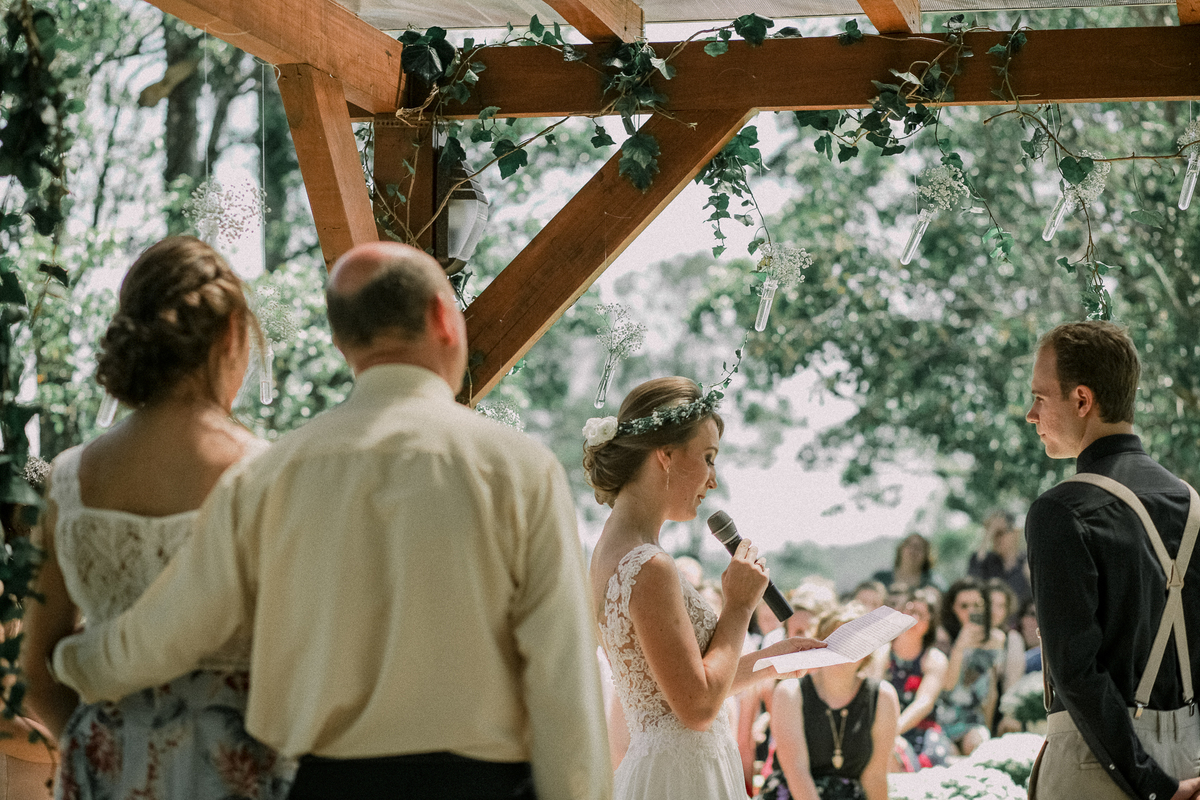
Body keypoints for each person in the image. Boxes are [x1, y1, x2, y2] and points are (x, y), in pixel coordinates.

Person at [47, 242, 610, 800]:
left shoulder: (265, 478)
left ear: (342, 342)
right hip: (482, 787)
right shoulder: (520, 470)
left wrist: (69, 660)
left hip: (326, 786)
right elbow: (562, 677)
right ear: (444, 316)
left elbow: (168, 634)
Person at [22, 236, 291, 799]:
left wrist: (106, 751)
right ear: (232, 335)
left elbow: (37, 673)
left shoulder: (69, 481)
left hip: (108, 767)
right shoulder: (267, 475)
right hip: (237, 772)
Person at [584, 376, 824, 800]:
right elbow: (696, 708)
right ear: (666, 455)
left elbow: (679, 688)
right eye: (708, 458)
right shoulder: (649, 565)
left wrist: (773, 660)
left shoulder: (609, 551)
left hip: (668, 768)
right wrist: (739, 606)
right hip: (684, 779)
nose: (712, 480)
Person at [1024, 321, 1200, 800]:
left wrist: (1154, 786)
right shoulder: (1192, 505)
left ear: (1082, 400)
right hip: (1192, 760)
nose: (1031, 414)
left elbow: (1076, 672)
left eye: (1040, 397)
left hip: (1099, 769)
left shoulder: (1061, 510)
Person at [765, 605, 900, 800]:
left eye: (855, 642)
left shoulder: (883, 696)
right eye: (835, 640)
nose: (843, 649)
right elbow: (797, 772)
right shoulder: (790, 693)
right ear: (818, 643)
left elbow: (875, 776)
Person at [933, 577, 1006, 756]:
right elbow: (947, 685)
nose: (971, 611)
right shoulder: (942, 638)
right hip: (941, 719)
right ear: (953, 608)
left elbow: (991, 693)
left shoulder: (995, 639)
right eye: (964, 606)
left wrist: (988, 729)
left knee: (977, 747)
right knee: (946, 754)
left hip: (973, 721)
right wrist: (960, 646)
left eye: (977, 605)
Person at [883, 588, 951, 772]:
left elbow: (924, 703)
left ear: (930, 624)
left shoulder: (934, 658)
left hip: (920, 732)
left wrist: (893, 731)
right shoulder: (882, 653)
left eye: (921, 615)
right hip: (883, 725)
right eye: (910, 611)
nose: (913, 618)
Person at [967, 511, 1031, 613]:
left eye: (1000, 533)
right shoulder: (987, 562)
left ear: (1015, 533)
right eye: (993, 534)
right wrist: (987, 536)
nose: (995, 539)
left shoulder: (1027, 563)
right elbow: (971, 583)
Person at [871, 533, 944, 593]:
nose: (913, 551)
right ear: (901, 549)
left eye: (919, 548)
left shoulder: (934, 582)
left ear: (926, 555)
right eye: (909, 545)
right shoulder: (881, 577)